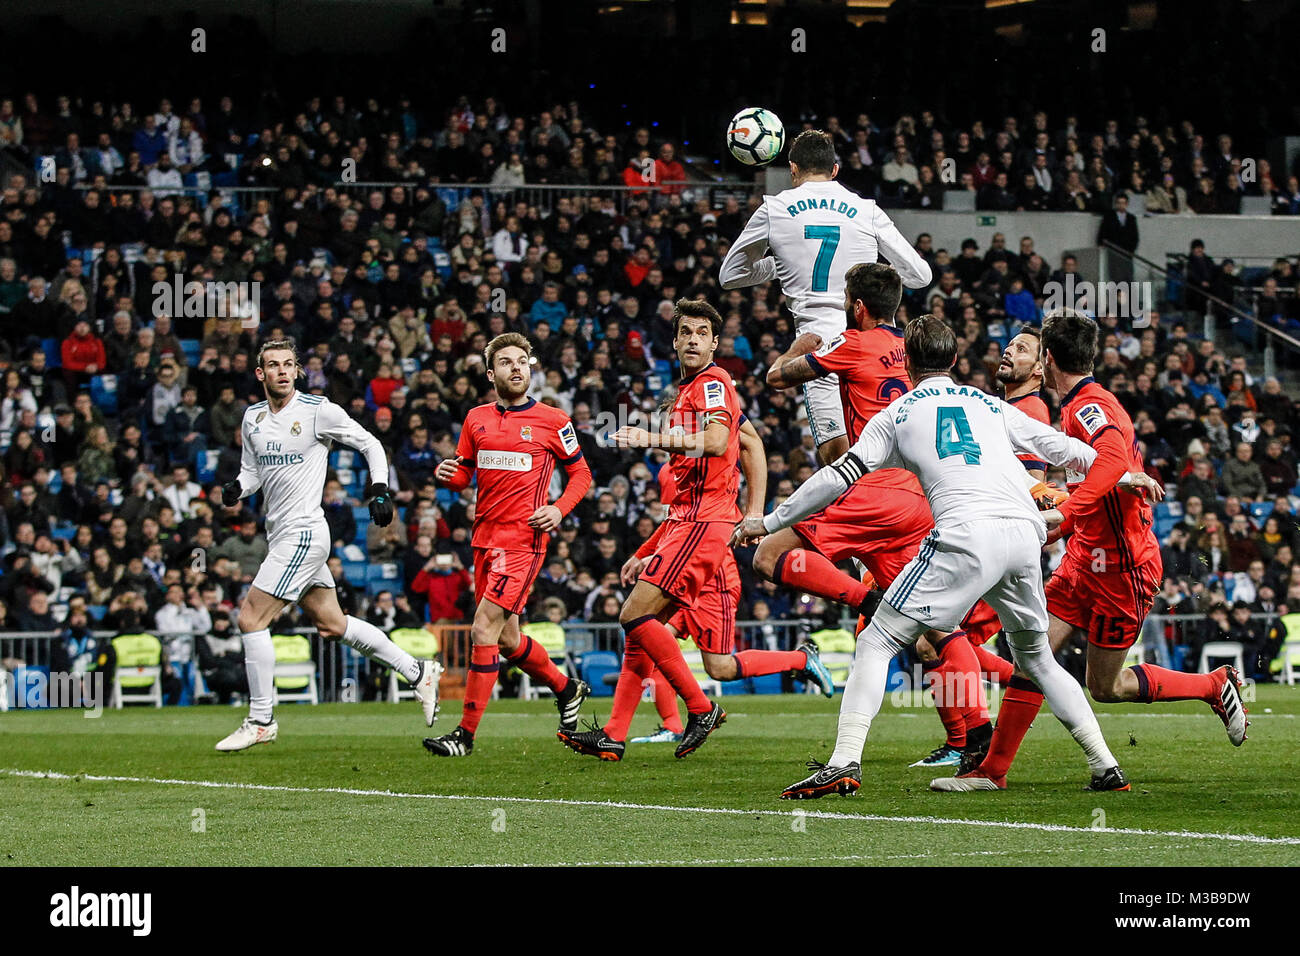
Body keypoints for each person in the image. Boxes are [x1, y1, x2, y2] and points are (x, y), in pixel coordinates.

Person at [737, 314, 1145, 799]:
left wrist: (771, 520)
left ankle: (844, 761)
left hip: (964, 535)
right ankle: (1105, 765)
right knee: (1037, 659)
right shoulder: (989, 404)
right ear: (954, 360)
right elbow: (1065, 449)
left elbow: (838, 476)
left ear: (906, 361)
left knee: (877, 642)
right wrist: (1123, 474)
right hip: (1022, 536)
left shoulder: (898, 413)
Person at [939, 310, 1248, 792]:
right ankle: (992, 772)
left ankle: (1212, 685)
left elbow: (1111, 458)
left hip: (1123, 569)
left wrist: (1064, 512)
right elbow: (1097, 482)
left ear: (1048, 359)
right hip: (1084, 557)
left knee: (1106, 687)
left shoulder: (1090, 407)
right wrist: (1063, 527)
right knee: (1029, 655)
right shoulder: (1072, 407)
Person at [213, 339, 441, 752]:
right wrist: (237, 489)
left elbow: (371, 443)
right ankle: (417, 670)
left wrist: (378, 489)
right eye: (273, 365)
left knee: (250, 619)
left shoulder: (318, 411)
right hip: (281, 534)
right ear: (260, 374)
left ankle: (261, 719)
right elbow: (252, 472)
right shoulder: (252, 419)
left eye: (289, 364)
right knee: (333, 625)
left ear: (297, 371)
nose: (282, 371)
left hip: (305, 533)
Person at [556, 299, 741, 761]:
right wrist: (650, 547)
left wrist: (651, 437)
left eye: (703, 332)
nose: (694, 339)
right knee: (642, 627)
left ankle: (699, 707)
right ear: (675, 340)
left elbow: (721, 442)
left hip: (705, 520)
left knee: (632, 616)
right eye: (686, 332)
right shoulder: (685, 391)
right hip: (686, 523)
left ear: (714, 343)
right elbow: (742, 447)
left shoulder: (714, 383)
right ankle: (615, 734)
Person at [423, 332, 593, 757]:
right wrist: (451, 475)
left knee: (483, 627)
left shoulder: (554, 420)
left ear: (530, 369)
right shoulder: (476, 418)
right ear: (490, 372)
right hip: (484, 540)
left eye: (522, 361)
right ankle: (566, 687)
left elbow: (582, 475)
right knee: (507, 640)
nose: (516, 368)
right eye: (506, 362)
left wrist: (558, 510)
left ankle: (464, 734)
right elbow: (466, 472)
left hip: (523, 542)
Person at [623, 406, 835, 745]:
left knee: (717, 667)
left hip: (713, 577)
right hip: (684, 569)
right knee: (649, 636)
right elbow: (674, 523)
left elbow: (748, 447)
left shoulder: (713, 452)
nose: (676, 428)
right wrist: (643, 553)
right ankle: (669, 724)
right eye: (671, 423)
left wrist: (754, 511)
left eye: (681, 422)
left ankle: (799, 659)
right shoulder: (670, 470)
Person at [719, 130, 932, 467]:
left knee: (840, 462)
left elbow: (729, 275)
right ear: (835, 169)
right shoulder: (866, 210)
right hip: (872, 343)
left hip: (819, 347)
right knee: (893, 454)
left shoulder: (774, 208)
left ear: (792, 168)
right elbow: (921, 276)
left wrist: (778, 264)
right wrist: (870, 271)